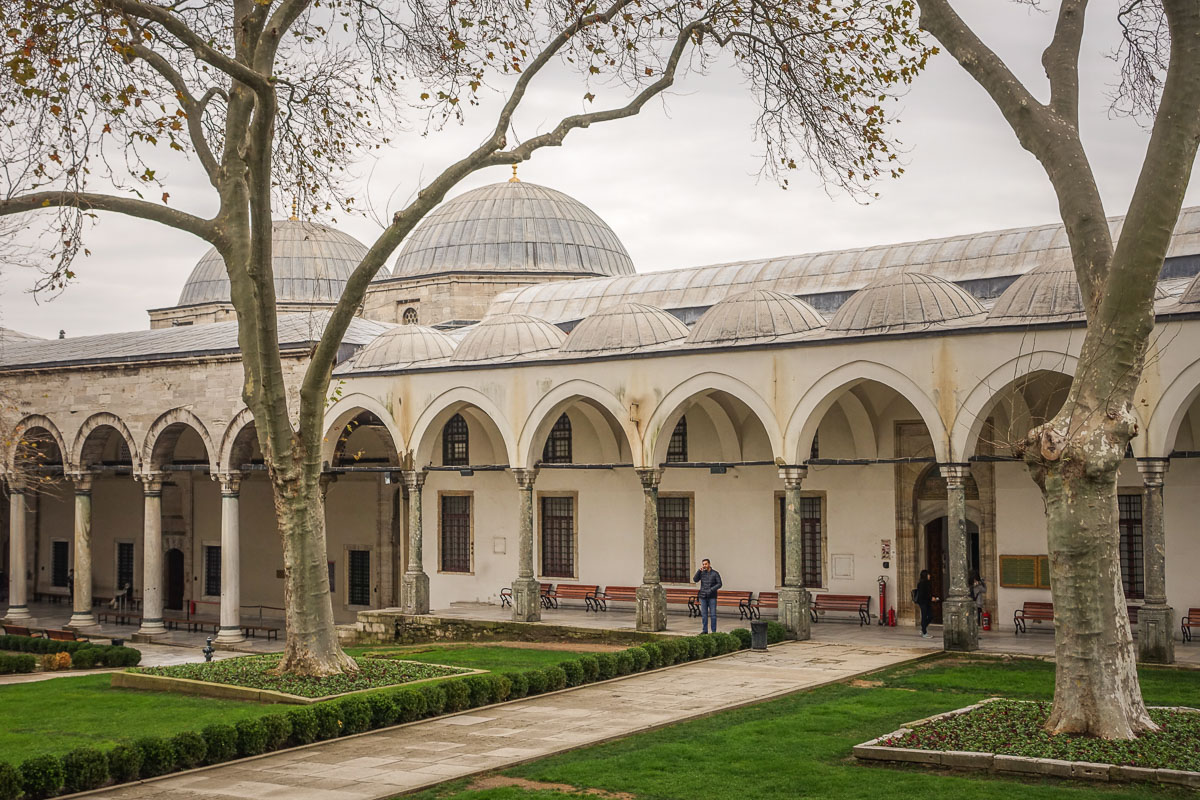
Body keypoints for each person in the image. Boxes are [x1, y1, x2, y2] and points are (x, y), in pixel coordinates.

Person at [692, 558, 723, 633]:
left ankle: (714, 631)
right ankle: (704, 630)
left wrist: (711, 590)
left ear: (709, 564)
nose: (704, 565)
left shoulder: (715, 573)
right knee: (704, 615)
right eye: (703, 564)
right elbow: (695, 580)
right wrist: (699, 571)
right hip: (703, 596)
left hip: (712, 597)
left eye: (706, 564)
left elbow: (719, 584)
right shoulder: (702, 573)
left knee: (713, 615)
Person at [916, 569, 936, 638]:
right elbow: (922, 594)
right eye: (928, 574)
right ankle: (924, 632)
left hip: (927, 602)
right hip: (923, 602)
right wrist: (930, 598)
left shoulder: (928, 583)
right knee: (924, 616)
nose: (929, 576)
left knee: (930, 616)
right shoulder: (921, 584)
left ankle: (923, 628)